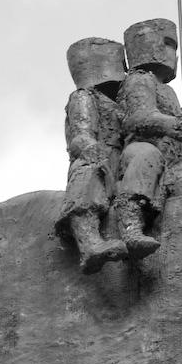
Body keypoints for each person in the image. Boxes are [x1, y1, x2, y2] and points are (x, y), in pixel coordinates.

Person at [115, 18, 182, 259]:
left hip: (173, 156)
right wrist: (172, 124)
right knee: (147, 156)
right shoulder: (139, 79)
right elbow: (138, 117)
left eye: (175, 47)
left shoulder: (168, 90)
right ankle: (131, 225)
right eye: (169, 44)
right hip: (142, 147)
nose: (173, 53)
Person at [55, 37, 128, 273]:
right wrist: (95, 154)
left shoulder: (118, 104)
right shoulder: (83, 97)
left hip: (121, 159)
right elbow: (81, 135)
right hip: (97, 158)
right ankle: (89, 243)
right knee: (89, 175)